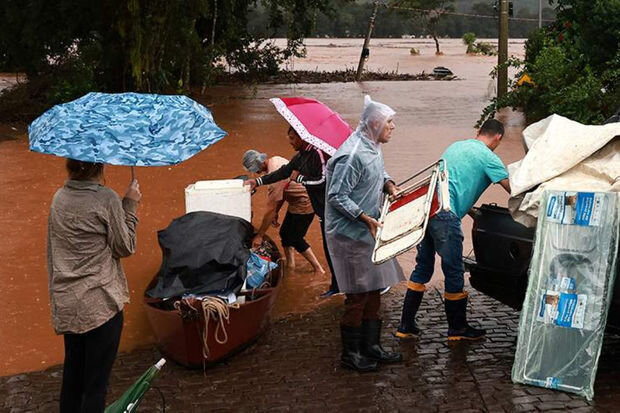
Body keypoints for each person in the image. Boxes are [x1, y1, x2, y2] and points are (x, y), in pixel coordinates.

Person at [396, 118, 511, 341]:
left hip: (428, 210)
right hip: (446, 218)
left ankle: (405, 325)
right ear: (498, 138)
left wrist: (469, 210)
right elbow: (512, 189)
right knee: (454, 270)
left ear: (478, 131)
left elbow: (448, 184)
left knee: (423, 267)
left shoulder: (455, 147)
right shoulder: (489, 157)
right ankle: (457, 329)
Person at [47, 159, 141, 412]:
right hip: (100, 305)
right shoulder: (106, 198)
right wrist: (130, 204)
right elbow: (125, 247)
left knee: (73, 380)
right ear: (100, 166)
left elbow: (54, 253)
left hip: (69, 304)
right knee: (96, 386)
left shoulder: (59, 198)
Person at [325, 95, 405, 372]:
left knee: (374, 289)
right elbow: (336, 195)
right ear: (374, 124)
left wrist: (390, 186)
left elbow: (379, 172)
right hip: (349, 233)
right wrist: (363, 218)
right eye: (389, 122)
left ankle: (371, 346)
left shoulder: (373, 146)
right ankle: (351, 353)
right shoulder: (352, 154)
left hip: (369, 228)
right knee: (358, 294)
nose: (392, 127)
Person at [244, 126, 340, 298]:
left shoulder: (316, 154)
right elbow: (284, 173)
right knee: (289, 235)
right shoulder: (298, 157)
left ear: (302, 138)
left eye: (292, 138)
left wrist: (260, 234)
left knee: (299, 238)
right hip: (312, 206)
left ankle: (324, 275)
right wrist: (257, 182)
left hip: (316, 206)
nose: (289, 142)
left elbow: (322, 181)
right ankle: (295, 269)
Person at [242, 149, 324, 273]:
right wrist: (276, 212)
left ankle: (318, 268)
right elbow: (282, 193)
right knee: (285, 234)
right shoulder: (275, 159)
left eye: (255, 169)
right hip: (296, 201)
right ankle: (291, 266)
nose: (257, 173)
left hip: (305, 203)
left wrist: (259, 235)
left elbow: (270, 208)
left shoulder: (274, 174)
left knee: (296, 238)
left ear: (259, 164)